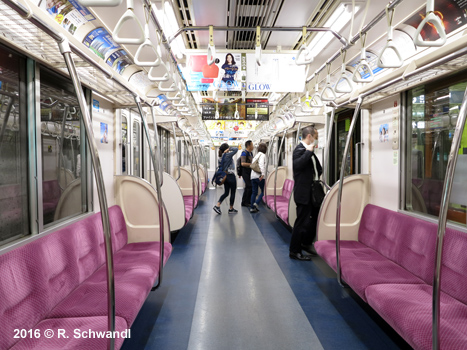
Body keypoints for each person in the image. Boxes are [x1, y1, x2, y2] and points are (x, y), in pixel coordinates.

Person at [289, 126, 322, 261]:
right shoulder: (300, 150)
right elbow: (298, 165)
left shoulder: (309, 151)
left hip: (312, 192)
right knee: (301, 222)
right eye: (315, 137)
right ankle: (294, 251)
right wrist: (308, 152)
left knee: (316, 217)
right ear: (309, 136)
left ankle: (306, 242)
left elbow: (317, 168)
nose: (315, 140)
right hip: (303, 193)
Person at [213, 143, 238, 214]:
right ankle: (231, 208)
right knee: (233, 192)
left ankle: (218, 205)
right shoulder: (227, 155)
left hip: (225, 177)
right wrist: (229, 149)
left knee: (226, 193)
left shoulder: (220, 158)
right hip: (231, 176)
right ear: (226, 149)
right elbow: (236, 149)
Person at [250, 143, 267, 213]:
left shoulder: (256, 155)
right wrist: (262, 174)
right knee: (264, 191)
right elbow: (261, 165)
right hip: (259, 176)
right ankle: (256, 203)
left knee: (254, 192)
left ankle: (252, 208)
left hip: (253, 176)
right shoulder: (263, 155)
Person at [240, 140, 254, 207]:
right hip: (245, 171)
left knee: (248, 186)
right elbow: (242, 163)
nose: (253, 146)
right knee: (249, 186)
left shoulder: (251, 153)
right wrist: (251, 164)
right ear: (248, 146)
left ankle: (244, 201)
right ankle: (246, 202)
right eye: (252, 145)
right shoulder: (244, 153)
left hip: (249, 171)